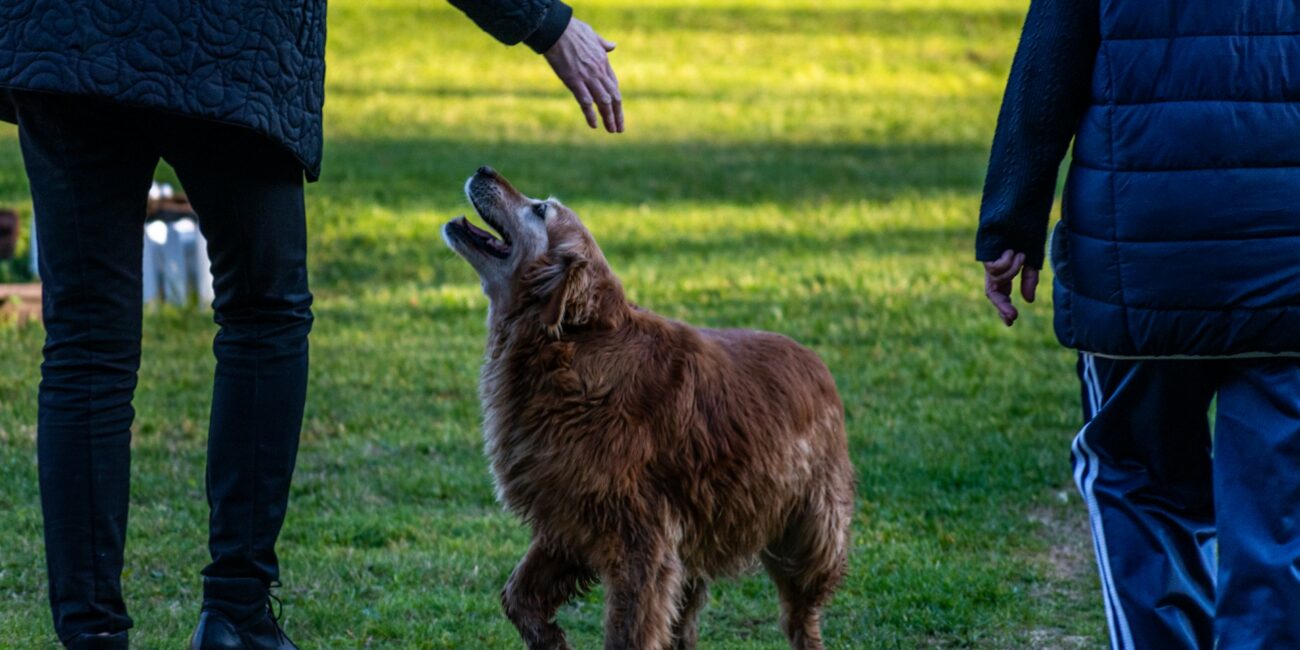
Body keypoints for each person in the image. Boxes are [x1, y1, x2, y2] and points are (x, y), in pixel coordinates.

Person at [0, 1, 622, 648]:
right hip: (229, 43)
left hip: (63, 35)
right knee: (263, 316)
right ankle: (236, 614)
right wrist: (544, 24)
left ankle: (92, 635)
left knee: (87, 343)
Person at [977, 0, 1300, 648]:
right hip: (1284, 256)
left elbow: (1050, 57)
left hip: (1141, 254)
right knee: (1277, 506)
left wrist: (1012, 218)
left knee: (1135, 475)